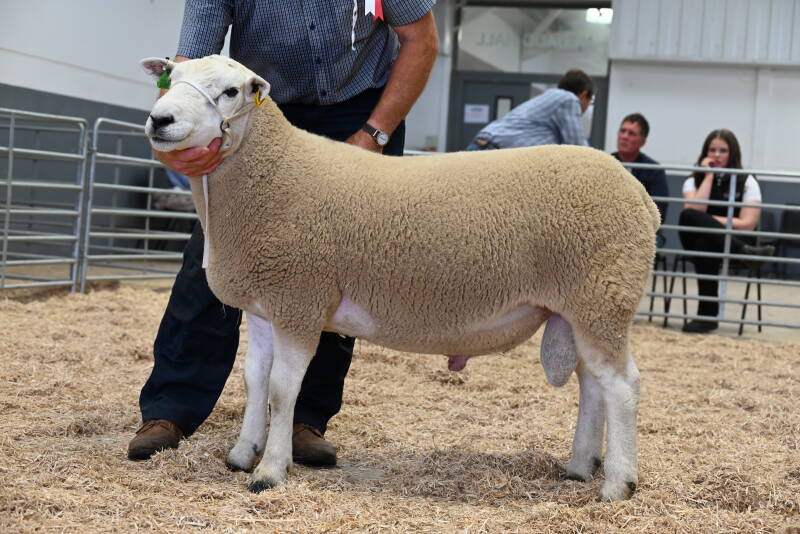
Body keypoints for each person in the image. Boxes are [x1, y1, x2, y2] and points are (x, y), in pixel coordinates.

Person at [128, 0, 439, 466]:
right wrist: (169, 136)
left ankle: (304, 418)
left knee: (337, 267)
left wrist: (375, 134)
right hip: (258, 110)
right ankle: (171, 408)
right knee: (214, 255)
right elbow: (189, 62)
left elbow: (421, 40)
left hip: (358, 113)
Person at [678, 129, 774, 334]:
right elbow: (694, 212)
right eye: (712, 150)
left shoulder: (747, 180)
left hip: (730, 241)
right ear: (705, 152)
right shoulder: (693, 180)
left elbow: (748, 223)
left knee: (705, 242)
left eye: (723, 150)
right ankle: (746, 253)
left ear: (733, 153)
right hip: (701, 239)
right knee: (689, 216)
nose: (716, 155)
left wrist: (708, 222)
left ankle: (707, 317)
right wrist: (709, 176)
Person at [466, 69, 594, 150]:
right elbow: (577, 148)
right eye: (590, 101)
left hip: (484, 146)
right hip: (495, 153)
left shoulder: (549, 98)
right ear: (583, 95)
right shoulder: (568, 99)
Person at [611, 113, 669, 246]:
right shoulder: (604, 163)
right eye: (622, 131)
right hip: (609, 228)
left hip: (643, 231)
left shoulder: (654, 170)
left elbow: (659, 211)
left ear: (642, 142)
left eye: (631, 133)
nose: (624, 136)